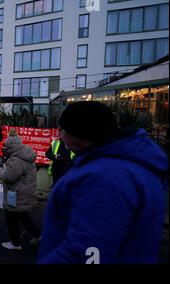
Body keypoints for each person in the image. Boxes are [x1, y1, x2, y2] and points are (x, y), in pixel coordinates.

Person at [38, 102, 168, 264]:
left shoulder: (102, 177)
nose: (61, 135)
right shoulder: (128, 165)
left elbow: (87, 252)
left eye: (63, 130)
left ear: (79, 133)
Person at [0, 129, 42, 251]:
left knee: (11, 217)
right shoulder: (25, 153)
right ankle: (37, 235)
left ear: (11, 147)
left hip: (17, 193)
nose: (5, 149)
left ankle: (15, 243)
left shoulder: (16, 160)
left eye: (6, 147)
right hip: (24, 191)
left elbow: (8, 176)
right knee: (22, 215)